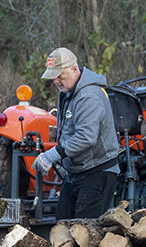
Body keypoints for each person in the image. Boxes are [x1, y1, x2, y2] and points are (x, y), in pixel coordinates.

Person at [33, 47, 119, 219]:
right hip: (77, 171)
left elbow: (86, 137)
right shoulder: (67, 92)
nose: (56, 81)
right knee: (62, 224)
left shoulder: (89, 96)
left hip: (97, 171)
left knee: (85, 232)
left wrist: (52, 155)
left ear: (74, 69)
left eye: (60, 75)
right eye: (53, 77)